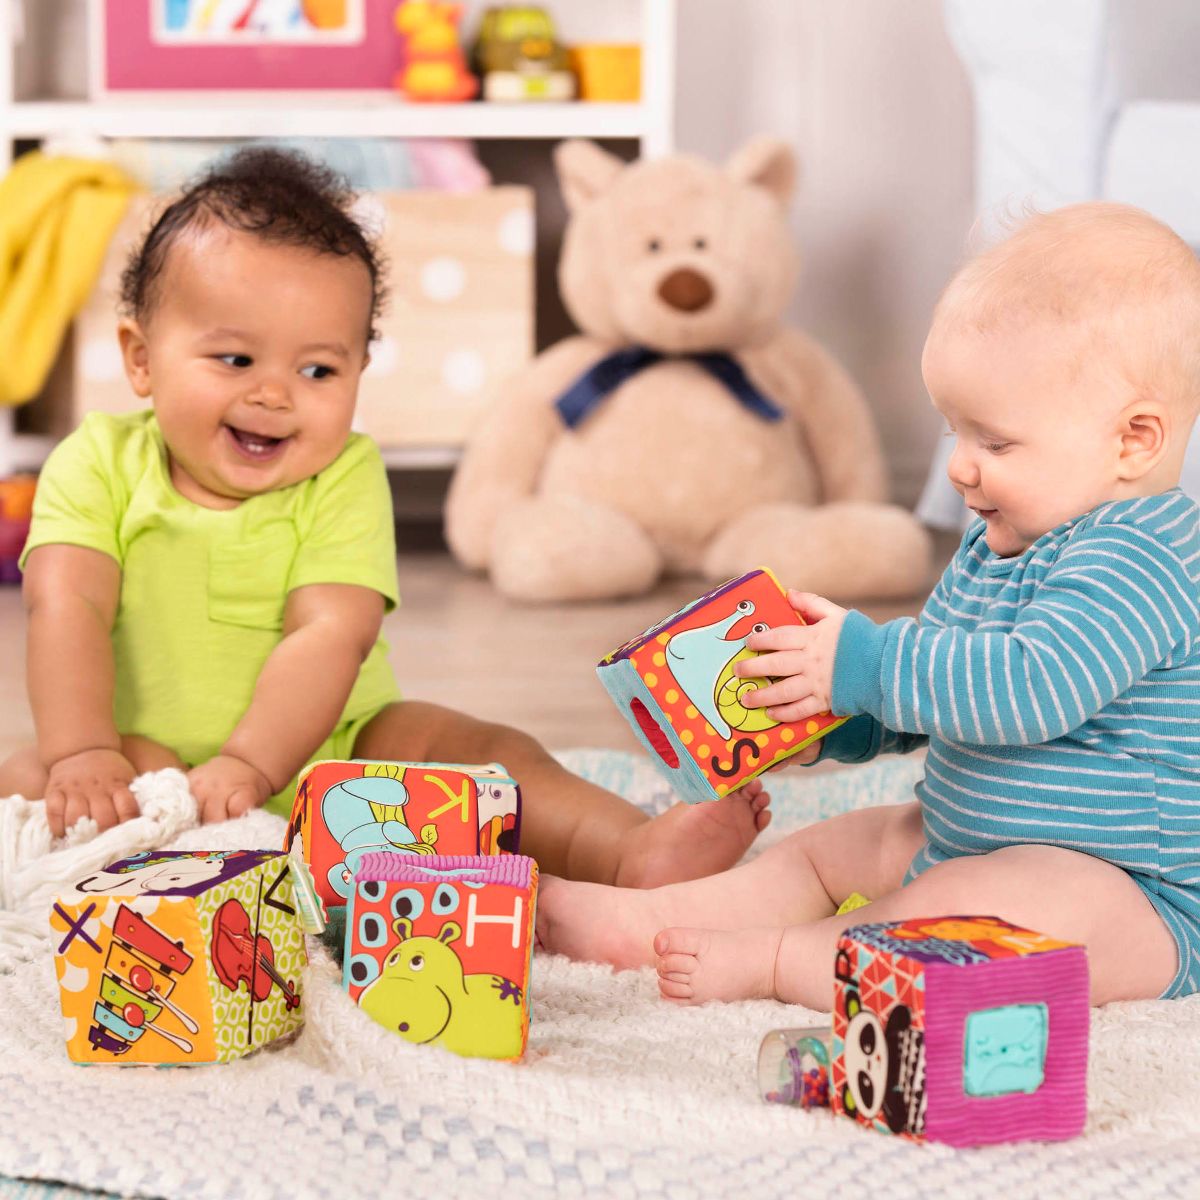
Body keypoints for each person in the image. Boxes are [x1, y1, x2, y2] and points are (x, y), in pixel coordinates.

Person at [0, 147, 770, 888]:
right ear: (140, 358)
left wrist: (253, 767)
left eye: (317, 369)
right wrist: (83, 751)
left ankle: (626, 849)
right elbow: (67, 604)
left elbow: (331, 633)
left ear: (359, 372)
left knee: (491, 754)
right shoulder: (94, 461)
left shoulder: (343, 473)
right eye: (235, 360)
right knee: (31, 779)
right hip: (140, 754)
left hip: (337, 749)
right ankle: (144, 838)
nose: (275, 393)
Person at [535, 202, 1200, 1007]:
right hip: (964, 838)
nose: (960, 468)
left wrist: (862, 662)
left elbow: (1030, 689)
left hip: (1129, 892)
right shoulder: (1006, 541)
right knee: (831, 848)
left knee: (963, 911)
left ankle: (788, 962)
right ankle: (651, 922)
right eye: (953, 432)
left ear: (1134, 439)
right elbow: (940, 685)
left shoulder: (1144, 554)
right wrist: (829, 712)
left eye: (994, 443)